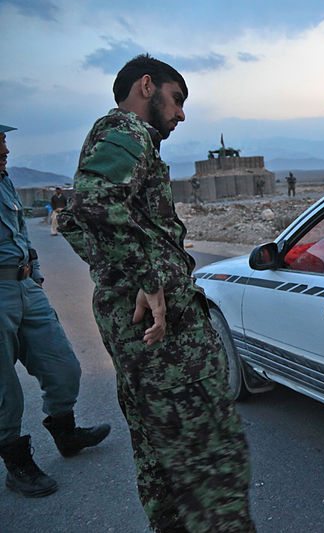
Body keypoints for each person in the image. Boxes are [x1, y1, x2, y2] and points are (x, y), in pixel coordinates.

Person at [58, 55, 255, 532]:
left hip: (137, 327)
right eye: (177, 99)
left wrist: (120, 272)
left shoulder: (116, 138)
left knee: (159, 453)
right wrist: (147, 279)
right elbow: (91, 202)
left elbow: (70, 218)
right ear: (147, 86)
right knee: (211, 456)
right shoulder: (128, 131)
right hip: (163, 337)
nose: (182, 114)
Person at [0, 123, 110, 498]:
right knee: (4, 389)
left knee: (63, 365)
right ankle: (16, 463)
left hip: (25, 285)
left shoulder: (5, 181)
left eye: (4, 141)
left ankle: (65, 431)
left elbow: (18, 232)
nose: (6, 148)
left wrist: (36, 273)